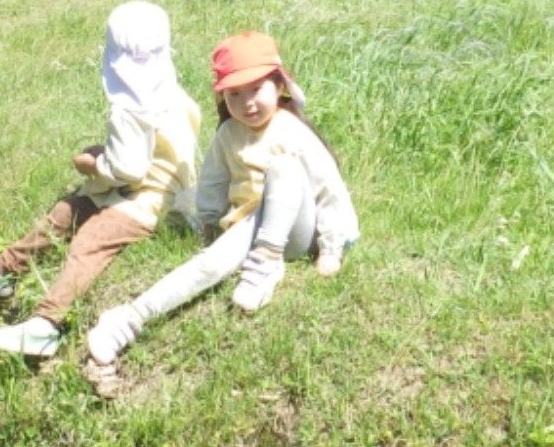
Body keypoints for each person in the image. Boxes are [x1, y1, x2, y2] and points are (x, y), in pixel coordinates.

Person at [82, 31, 357, 396]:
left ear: (279, 85)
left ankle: (267, 262)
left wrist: (331, 247)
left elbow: (329, 191)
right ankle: (130, 318)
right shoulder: (229, 133)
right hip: (251, 226)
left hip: (296, 234)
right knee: (209, 263)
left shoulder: (291, 131)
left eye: (256, 89)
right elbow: (213, 181)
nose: (248, 103)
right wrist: (210, 221)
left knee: (283, 170)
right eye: (234, 94)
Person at [0, 1, 203, 358]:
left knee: (88, 243)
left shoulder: (130, 110)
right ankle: (2, 270)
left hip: (146, 204)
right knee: (65, 211)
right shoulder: (176, 97)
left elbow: (129, 169)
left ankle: (45, 326)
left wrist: (92, 164)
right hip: (151, 191)